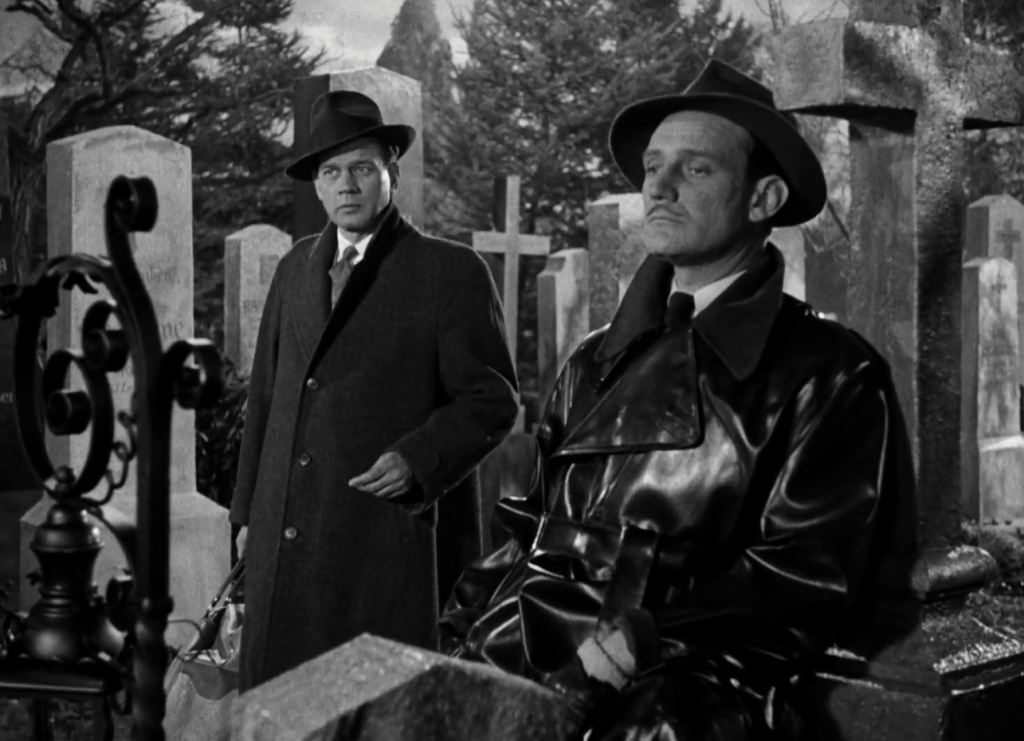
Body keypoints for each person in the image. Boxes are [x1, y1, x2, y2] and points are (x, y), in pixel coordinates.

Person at [439, 60, 909, 740]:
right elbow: (533, 525)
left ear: (763, 198)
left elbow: (803, 579)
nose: (657, 187)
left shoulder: (829, 371)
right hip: (518, 640)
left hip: (673, 672)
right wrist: (459, 622)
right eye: (653, 167)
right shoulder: (592, 360)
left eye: (696, 169)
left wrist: (636, 641)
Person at [230, 90, 520, 691]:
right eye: (331, 172)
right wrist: (246, 515)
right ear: (317, 186)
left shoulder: (450, 271)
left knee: (375, 710)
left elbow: (492, 398)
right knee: (282, 710)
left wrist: (420, 457)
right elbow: (264, 401)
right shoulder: (293, 270)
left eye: (362, 168)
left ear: (392, 171)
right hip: (286, 538)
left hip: (381, 543)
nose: (347, 185)